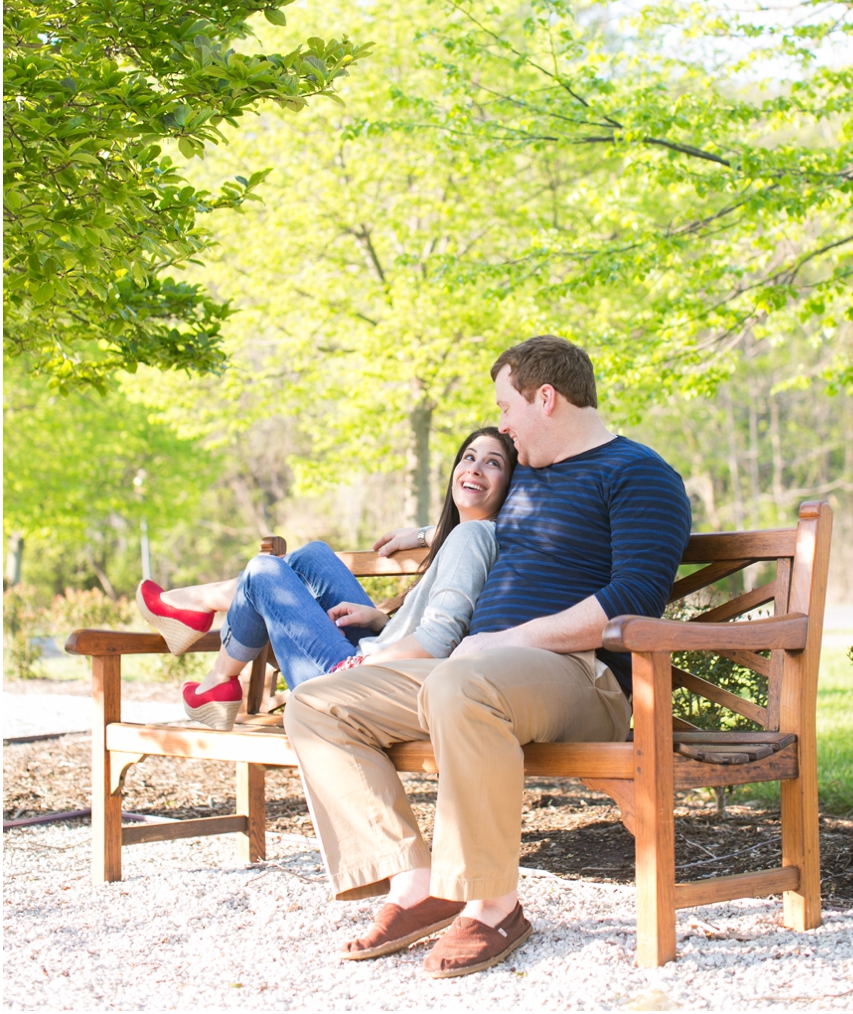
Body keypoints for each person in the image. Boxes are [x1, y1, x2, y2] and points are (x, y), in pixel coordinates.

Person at [284, 335, 693, 980]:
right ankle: (420, 883)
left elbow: (636, 597)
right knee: (316, 704)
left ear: (546, 398)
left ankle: (494, 903)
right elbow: (474, 513)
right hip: (477, 676)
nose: (500, 423)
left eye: (506, 406)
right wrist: (423, 536)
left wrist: (509, 640)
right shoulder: (527, 477)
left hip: (583, 681)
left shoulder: (639, 474)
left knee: (462, 684)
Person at [136, 427, 516, 731]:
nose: (475, 468)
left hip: (359, 686)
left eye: (492, 463)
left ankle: (214, 666)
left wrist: (363, 665)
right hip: (382, 662)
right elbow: (444, 615)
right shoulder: (472, 535)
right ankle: (199, 624)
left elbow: (440, 638)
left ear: (510, 486)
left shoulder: (471, 538)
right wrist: (381, 618)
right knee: (313, 556)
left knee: (263, 571)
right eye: (469, 457)